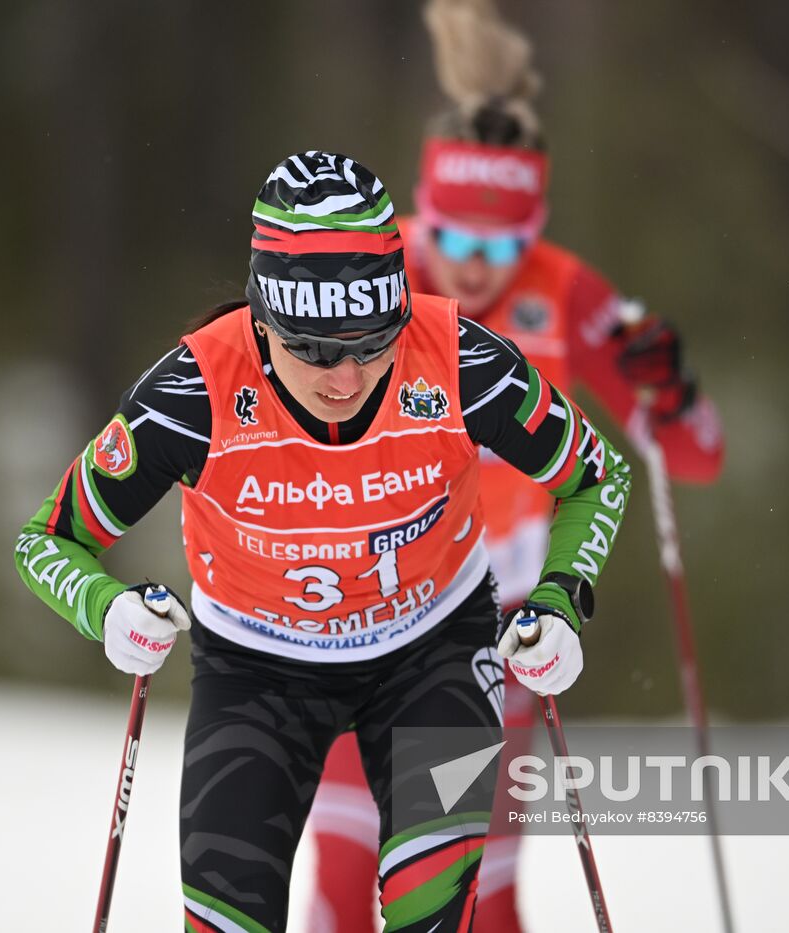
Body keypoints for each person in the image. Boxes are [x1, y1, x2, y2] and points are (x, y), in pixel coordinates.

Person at [15, 150, 632, 932]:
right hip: (258, 668)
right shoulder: (194, 392)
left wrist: (561, 596)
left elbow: (596, 474)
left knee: (431, 911)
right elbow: (46, 539)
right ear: (261, 316)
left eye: (373, 343)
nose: (344, 377)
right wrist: (105, 608)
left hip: (431, 651)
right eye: (310, 348)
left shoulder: (458, 359)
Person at [305, 3, 726, 932]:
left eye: (502, 246)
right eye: (452, 239)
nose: (475, 268)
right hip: (360, 613)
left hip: (500, 637)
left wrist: (674, 386)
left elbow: (692, 454)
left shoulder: (565, 291)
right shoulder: (366, 273)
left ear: (532, 230)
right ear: (423, 217)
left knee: (479, 894)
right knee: (345, 877)